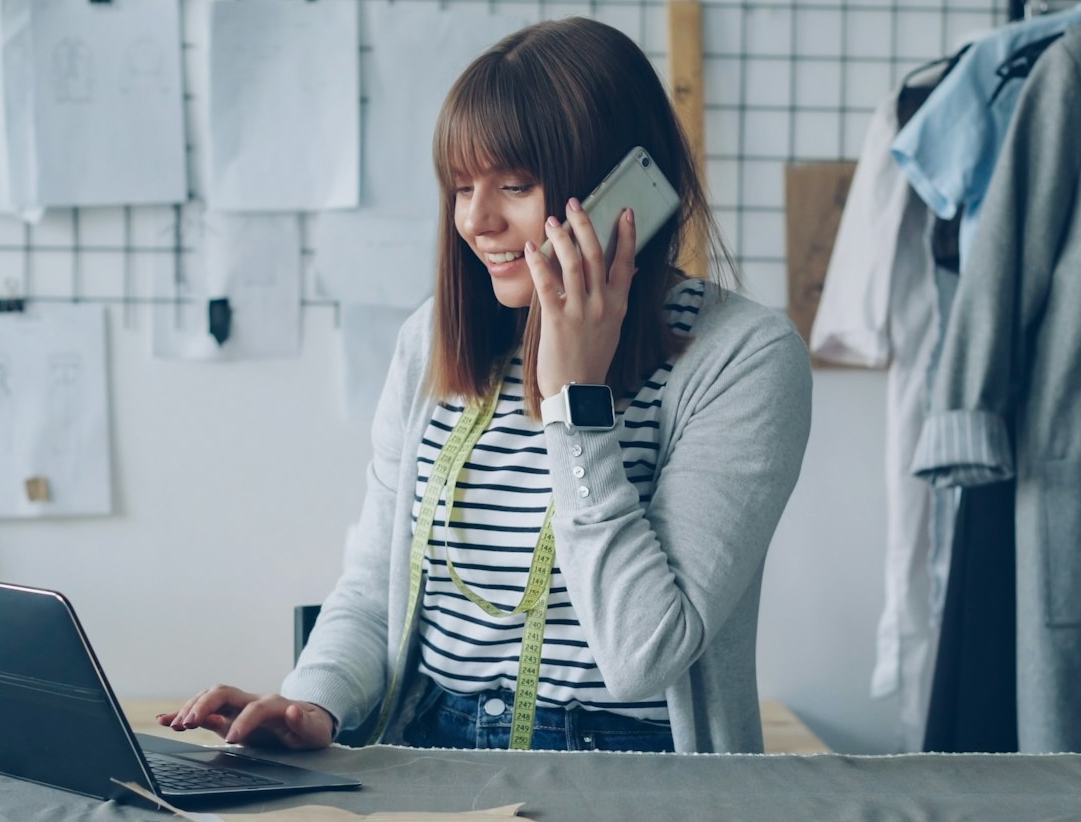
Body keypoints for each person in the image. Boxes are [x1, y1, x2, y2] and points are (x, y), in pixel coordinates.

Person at [162, 17, 812, 754]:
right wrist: (312, 704)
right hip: (427, 749)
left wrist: (576, 402)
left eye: (515, 185)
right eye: (461, 187)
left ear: (623, 191)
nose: (475, 220)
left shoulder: (744, 359)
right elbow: (376, 584)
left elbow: (644, 657)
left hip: (631, 770)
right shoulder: (432, 340)